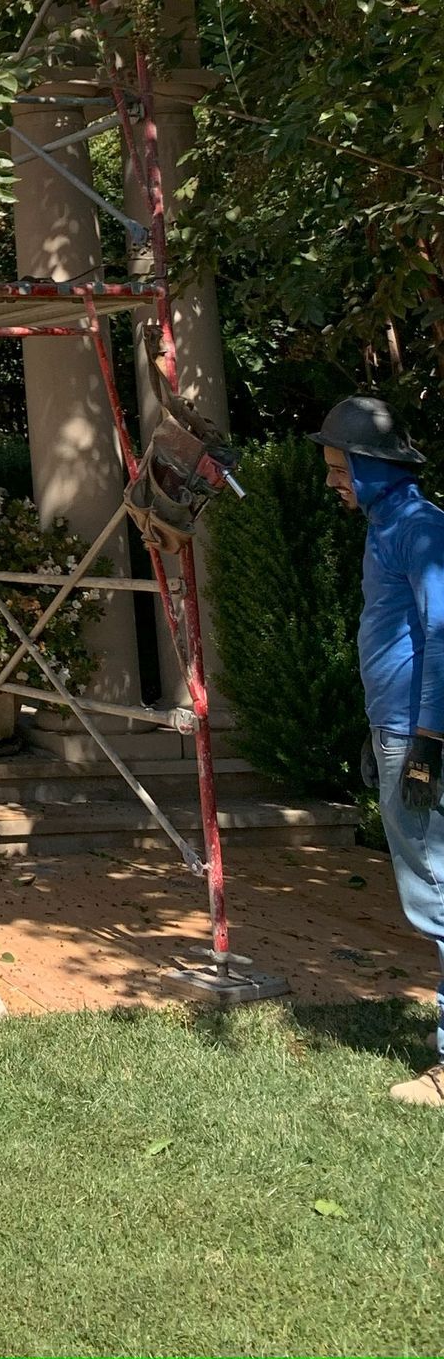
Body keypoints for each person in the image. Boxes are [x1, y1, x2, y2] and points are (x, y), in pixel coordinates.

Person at [319, 393, 444, 1106]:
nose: (332, 481)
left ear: (373, 468)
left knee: (437, 894)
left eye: (340, 469)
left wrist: (426, 741)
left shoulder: (421, 529)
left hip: (420, 736)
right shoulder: (388, 526)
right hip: (397, 729)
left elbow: (443, 636)